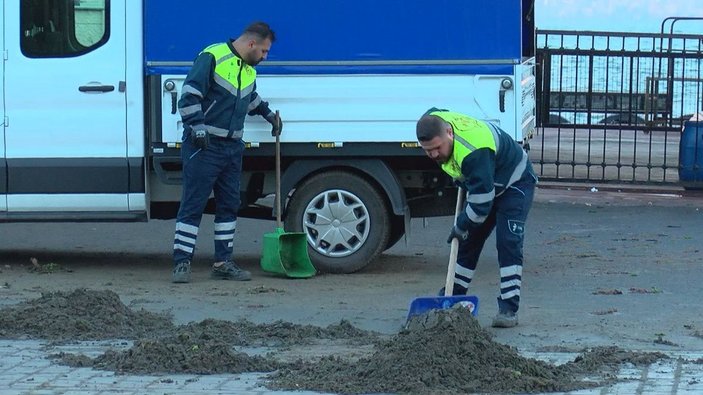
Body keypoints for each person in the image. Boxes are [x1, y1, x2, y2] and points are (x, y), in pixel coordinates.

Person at [172, 22, 282, 283]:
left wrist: (268, 115)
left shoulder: (248, 69)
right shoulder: (213, 56)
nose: (265, 57)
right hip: (204, 146)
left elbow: (249, 97)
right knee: (193, 205)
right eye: (264, 51)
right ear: (251, 44)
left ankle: (223, 263)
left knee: (229, 205)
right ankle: (181, 263)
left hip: (233, 148)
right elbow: (189, 96)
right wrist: (197, 127)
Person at [416, 108, 537, 327]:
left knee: (508, 242)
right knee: (468, 242)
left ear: (449, 133)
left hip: (514, 183)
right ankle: (452, 296)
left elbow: (482, 205)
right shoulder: (434, 120)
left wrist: (462, 224)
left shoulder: (474, 151)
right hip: (485, 184)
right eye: (427, 151)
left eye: (436, 149)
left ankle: (509, 309)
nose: (433, 155)